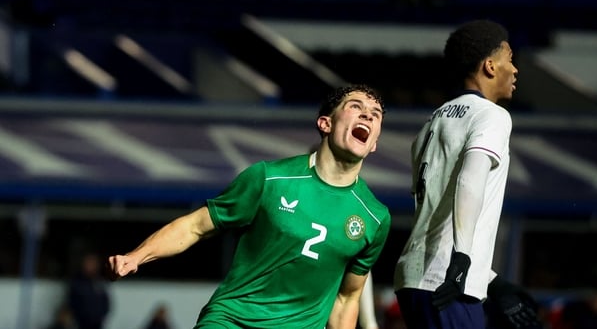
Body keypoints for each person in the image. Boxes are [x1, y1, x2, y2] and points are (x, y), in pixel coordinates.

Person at [107, 83, 392, 328]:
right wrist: (137, 256)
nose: (367, 113)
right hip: (232, 320)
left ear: (375, 142)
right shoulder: (269, 179)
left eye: (375, 114)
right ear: (325, 123)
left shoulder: (374, 218)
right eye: (355, 106)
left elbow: (346, 299)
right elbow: (195, 226)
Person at [392, 19, 542, 329]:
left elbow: (437, 218)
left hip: (413, 278)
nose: (515, 70)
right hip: (449, 279)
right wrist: (461, 262)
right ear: (489, 66)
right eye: (509, 58)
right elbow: (469, 180)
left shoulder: (431, 124)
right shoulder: (492, 115)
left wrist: (491, 281)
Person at [68, 252, 111, 329]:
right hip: (82, 323)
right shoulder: (77, 281)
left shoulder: (99, 280)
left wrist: (102, 315)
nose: (91, 266)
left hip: (98, 322)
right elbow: (72, 302)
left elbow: (105, 301)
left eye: (94, 263)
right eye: (89, 263)